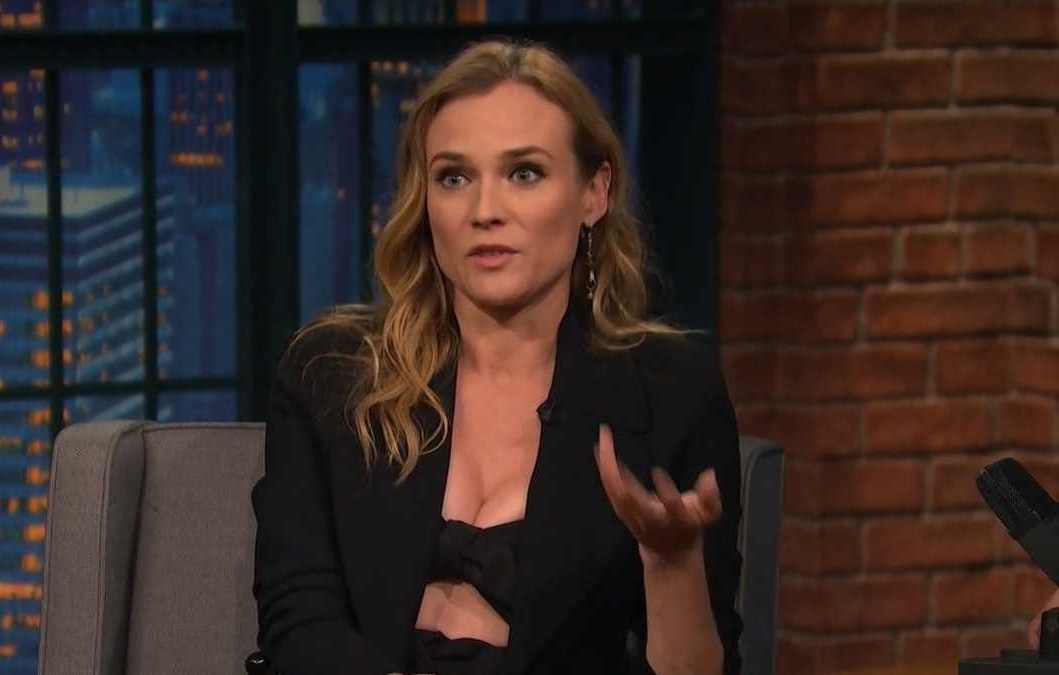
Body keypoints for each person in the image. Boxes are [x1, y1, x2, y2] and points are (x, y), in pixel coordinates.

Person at [250, 38, 743, 675]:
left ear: (593, 193)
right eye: (454, 178)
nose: (485, 211)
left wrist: (673, 568)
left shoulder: (673, 393)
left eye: (524, 173)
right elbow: (297, 620)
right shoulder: (332, 375)